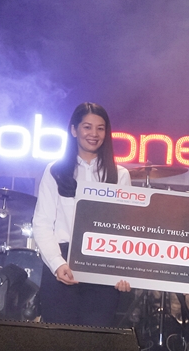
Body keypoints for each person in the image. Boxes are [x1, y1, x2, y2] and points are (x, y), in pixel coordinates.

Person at [32, 102, 131, 326]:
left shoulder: (120, 174)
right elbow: (42, 223)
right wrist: (57, 263)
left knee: (95, 339)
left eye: (100, 128)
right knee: (59, 338)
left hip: (102, 266)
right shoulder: (55, 171)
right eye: (87, 127)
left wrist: (123, 272)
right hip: (62, 263)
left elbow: (124, 229)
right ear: (74, 130)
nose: (94, 134)